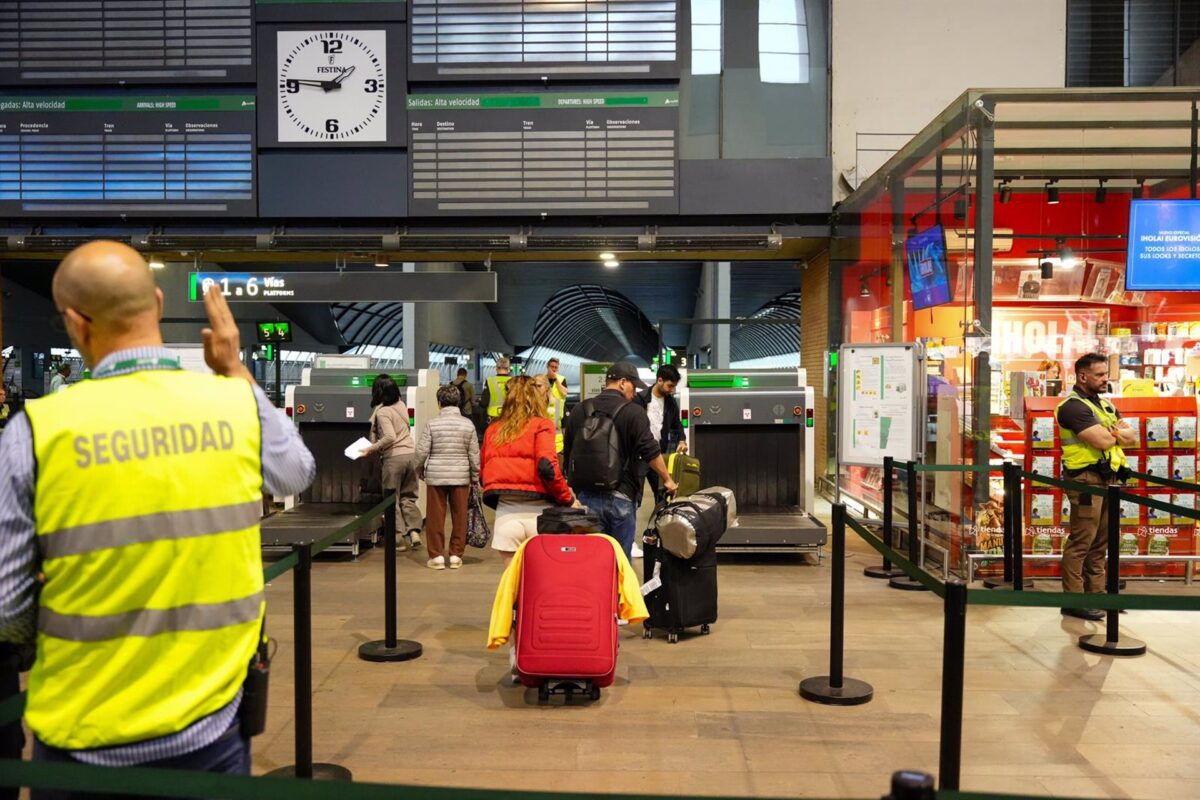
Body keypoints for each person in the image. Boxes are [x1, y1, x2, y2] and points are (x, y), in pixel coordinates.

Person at [0, 240, 315, 794]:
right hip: (211, 728)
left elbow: (7, 607)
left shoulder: (36, 432)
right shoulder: (233, 406)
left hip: (81, 736)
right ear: (159, 302)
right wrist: (236, 368)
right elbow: (296, 474)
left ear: (75, 322)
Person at [562, 361, 678, 561]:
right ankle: (617, 593)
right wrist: (667, 479)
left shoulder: (581, 409)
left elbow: (569, 450)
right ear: (623, 383)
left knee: (591, 560)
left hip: (586, 497)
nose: (634, 393)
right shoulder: (633, 412)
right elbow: (649, 450)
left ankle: (596, 592)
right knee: (620, 561)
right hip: (621, 495)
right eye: (634, 386)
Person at [1055, 353, 1137, 621]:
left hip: (1108, 479)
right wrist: (1115, 433)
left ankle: (1098, 597)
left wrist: (1113, 434)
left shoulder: (1104, 405)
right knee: (1082, 541)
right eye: (1100, 375)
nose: (1106, 379)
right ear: (1082, 376)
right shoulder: (1073, 407)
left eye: (1106, 374)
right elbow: (1103, 441)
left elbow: (1131, 437)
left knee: (1101, 542)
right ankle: (1074, 601)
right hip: (1086, 482)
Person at [481, 376, 577, 567]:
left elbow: (483, 471)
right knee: (541, 583)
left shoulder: (493, 429)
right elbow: (547, 466)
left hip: (506, 516)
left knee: (513, 586)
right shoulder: (541, 424)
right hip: (539, 517)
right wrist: (568, 499)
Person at [415, 384, 480, 570]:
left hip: (436, 476)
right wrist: (475, 477)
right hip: (461, 477)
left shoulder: (432, 424)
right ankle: (455, 556)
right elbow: (474, 455)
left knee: (436, 517)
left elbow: (421, 452)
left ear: (439, 403)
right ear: (458, 402)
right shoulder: (468, 425)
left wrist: (418, 469)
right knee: (460, 517)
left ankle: (436, 556)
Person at [362, 375, 423, 552]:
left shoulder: (382, 412)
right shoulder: (401, 405)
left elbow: (389, 437)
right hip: (411, 455)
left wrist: (371, 448)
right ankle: (414, 532)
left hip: (394, 458)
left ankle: (397, 537)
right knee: (409, 496)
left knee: (391, 499)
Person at [632, 364, 688, 502]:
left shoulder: (670, 402)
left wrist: (682, 440)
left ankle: (660, 522)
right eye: (670, 386)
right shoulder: (640, 399)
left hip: (658, 454)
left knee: (663, 495)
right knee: (634, 497)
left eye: (674, 386)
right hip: (639, 455)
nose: (672, 389)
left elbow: (677, 424)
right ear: (660, 380)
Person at [541, 358, 568, 453]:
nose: (554, 369)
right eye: (552, 367)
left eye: (556, 367)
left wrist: (556, 380)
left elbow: (564, 393)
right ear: (547, 367)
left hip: (558, 415)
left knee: (559, 438)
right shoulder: (542, 379)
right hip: (545, 414)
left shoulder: (561, 379)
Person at [481, 356, 512, 422]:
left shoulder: (489, 381)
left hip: (493, 417)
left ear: (496, 368)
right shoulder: (514, 381)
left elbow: (484, 403)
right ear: (509, 368)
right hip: (509, 416)